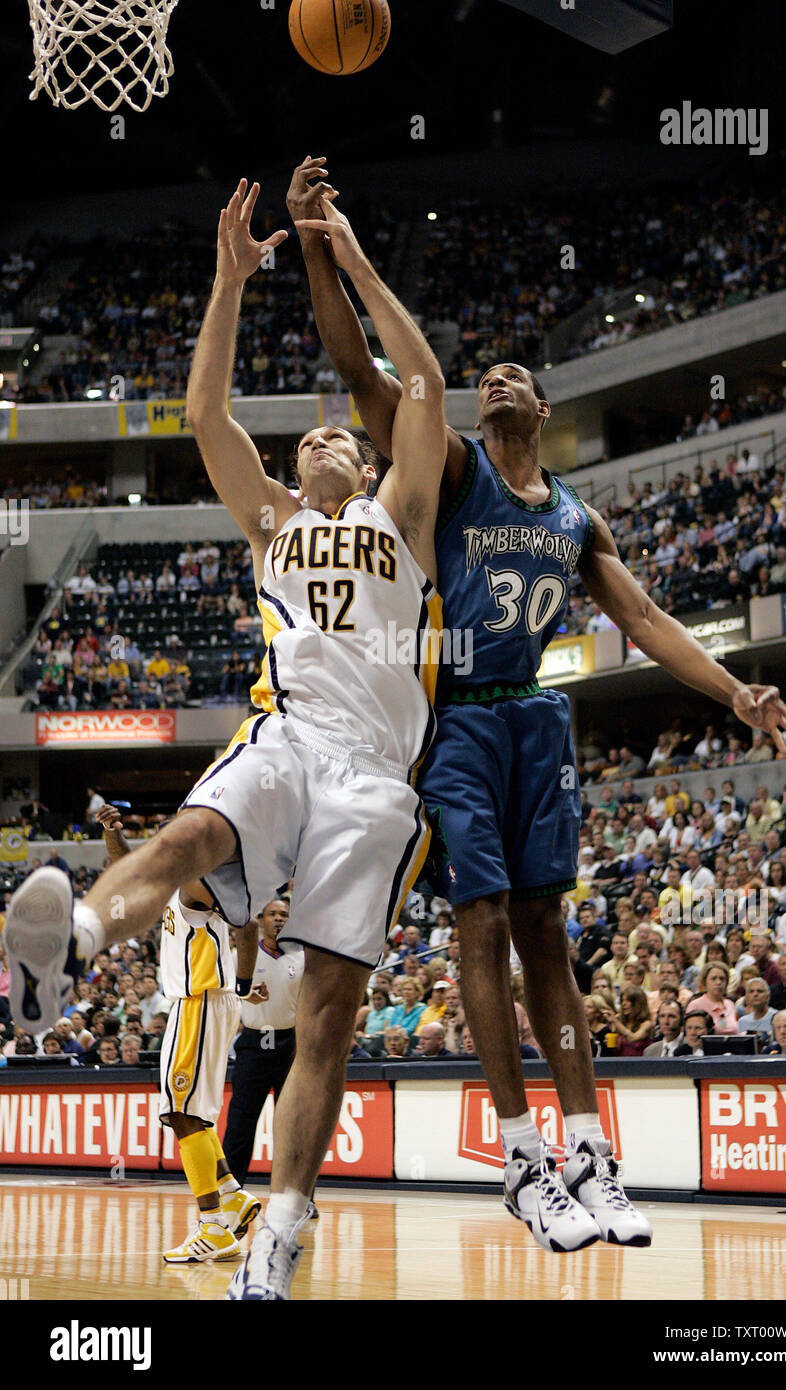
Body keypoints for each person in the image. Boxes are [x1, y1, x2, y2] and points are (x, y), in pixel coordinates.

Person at [288, 157, 786, 1252]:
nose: (495, 379)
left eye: (516, 371)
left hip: (536, 718)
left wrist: (736, 690)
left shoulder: (575, 517)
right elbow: (356, 363)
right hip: (459, 712)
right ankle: (520, 1158)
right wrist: (321, 247)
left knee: (545, 933)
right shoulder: (455, 465)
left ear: (547, 404)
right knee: (477, 920)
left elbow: (652, 622)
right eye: (487, 373)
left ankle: (589, 1153)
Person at [4, 178, 448, 1305]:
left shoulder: (400, 515)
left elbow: (426, 384)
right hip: (290, 736)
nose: (320, 436)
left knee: (333, 1016)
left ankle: (280, 1230)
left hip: (376, 779)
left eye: (342, 432)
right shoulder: (272, 525)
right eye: (308, 435)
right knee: (195, 829)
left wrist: (341, 247)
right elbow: (206, 417)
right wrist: (225, 287)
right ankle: (69, 943)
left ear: (369, 460)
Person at [95, 805, 261, 1263]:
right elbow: (126, 871)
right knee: (190, 1112)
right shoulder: (180, 880)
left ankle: (213, 1228)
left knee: (181, 1111)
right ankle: (231, 1196)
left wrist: (243, 985)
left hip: (201, 1000)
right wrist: (113, 833)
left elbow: (248, 927)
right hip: (200, 1002)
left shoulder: (197, 882)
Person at [221, 899, 308, 1193]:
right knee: (240, 1123)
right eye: (273, 914)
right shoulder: (240, 955)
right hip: (254, 1042)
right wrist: (245, 995)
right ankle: (230, 1193)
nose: (279, 919)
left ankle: (298, 1196)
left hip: (290, 1044)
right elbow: (224, 993)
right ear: (261, 919)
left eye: (285, 914)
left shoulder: (300, 956)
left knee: (295, 1125)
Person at [689, 962, 739, 1034]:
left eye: (722, 979)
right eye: (713, 978)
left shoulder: (730, 1004)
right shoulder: (695, 1005)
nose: (718, 982)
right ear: (705, 982)